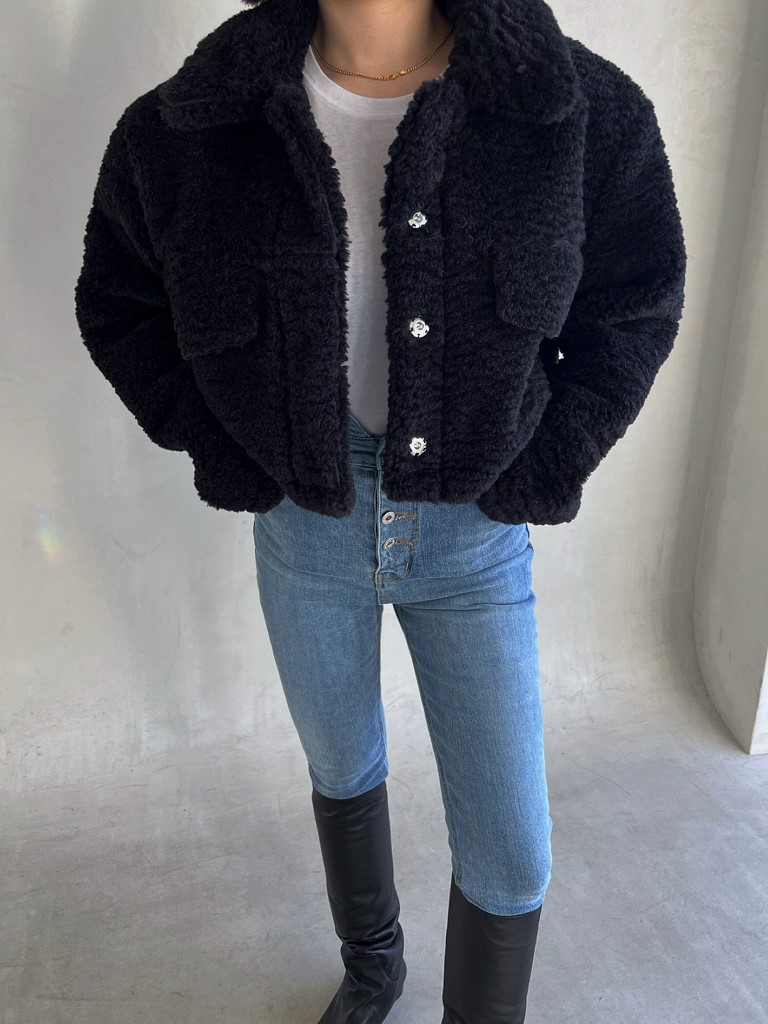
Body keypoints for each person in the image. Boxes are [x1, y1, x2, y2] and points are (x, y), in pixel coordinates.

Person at [74, 0, 687, 1021]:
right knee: (341, 764)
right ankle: (374, 966)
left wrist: (547, 462)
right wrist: (222, 443)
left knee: (512, 849)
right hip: (305, 530)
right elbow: (119, 304)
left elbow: (636, 303)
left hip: (474, 537)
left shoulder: (575, 109)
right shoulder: (188, 125)